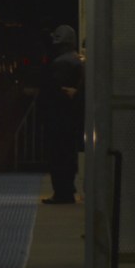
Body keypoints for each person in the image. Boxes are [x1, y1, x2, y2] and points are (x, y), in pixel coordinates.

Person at [38, 23, 84, 204]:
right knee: (68, 156)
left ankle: (62, 193)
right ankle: (67, 189)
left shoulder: (61, 63)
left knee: (58, 157)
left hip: (58, 120)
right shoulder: (76, 60)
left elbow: (56, 92)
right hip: (70, 120)